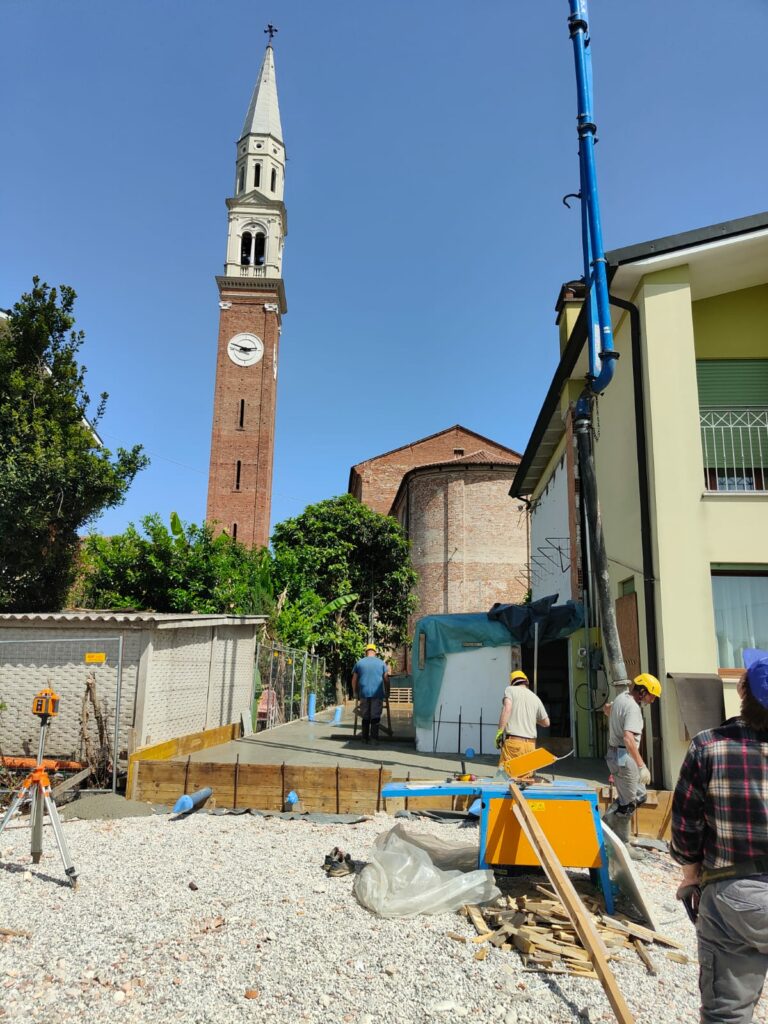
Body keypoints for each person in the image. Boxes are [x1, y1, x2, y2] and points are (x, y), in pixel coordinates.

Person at [671, 650, 768, 1024]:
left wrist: (691, 875)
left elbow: (685, 826)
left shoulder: (709, 746)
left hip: (737, 896)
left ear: (741, 691)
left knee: (728, 1013)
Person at [602, 673, 661, 850]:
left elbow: (607, 709)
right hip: (624, 757)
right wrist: (642, 766)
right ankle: (621, 843)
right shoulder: (633, 708)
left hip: (616, 754)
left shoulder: (621, 698)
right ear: (643, 692)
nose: (652, 701)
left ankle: (604, 827)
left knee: (639, 795)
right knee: (628, 804)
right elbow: (628, 739)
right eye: (652, 696)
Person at [495, 670, 550, 774]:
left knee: (504, 778)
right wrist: (531, 717)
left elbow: (507, 709)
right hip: (530, 746)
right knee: (526, 781)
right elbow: (546, 723)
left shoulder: (510, 690)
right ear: (526, 682)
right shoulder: (535, 697)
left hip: (514, 744)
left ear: (512, 682)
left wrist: (499, 732)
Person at [351, 644, 390, 745]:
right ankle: (374, 739)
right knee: (375, 716)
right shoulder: (381, 663)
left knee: (365, 716)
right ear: (375, 652)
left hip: (364, 693)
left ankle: (364, 738)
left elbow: (354, 680)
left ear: (366, 652)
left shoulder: (359, 663)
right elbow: (386, 679)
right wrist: (387, 692)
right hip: (377, 694)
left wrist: (355, 692)